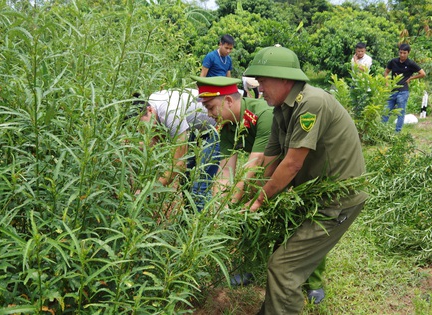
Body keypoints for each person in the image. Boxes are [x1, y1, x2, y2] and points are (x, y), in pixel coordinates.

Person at [244, 45, 368, 314]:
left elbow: (292, 164)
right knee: (281, 253)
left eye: (263, 80)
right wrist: (246, 194)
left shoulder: (311, 102)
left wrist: (257, 203)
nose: (259, 87)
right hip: (312, 197)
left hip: (336, 200)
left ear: (284, 79)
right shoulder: (280, 109)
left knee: (284, 267)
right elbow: (270, 160)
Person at [135, 88, 221, 211]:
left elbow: (179, 165)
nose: (142, 131)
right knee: (186, 180)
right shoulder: (151, 105)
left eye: (143, 126)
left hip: (217, 125)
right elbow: (153, 143)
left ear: (149, 110)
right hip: (196, 128)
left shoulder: (170, 112)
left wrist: (148, 192)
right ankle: (189, 221)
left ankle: (197, 224)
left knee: (199, 184)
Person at [192, 75, 273, 204]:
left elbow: (254, 164)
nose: (208, 115)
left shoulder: (263, 114)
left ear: (229, 101)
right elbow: (225, 172)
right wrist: (218, 207)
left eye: (210, 107)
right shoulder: (227, 127)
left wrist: (229, 205)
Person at [382, 43, 426, 132]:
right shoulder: (393, 61)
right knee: (385, 111)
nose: (402, 55)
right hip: (392, 90)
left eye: (404, 53)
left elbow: (423, 73)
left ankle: (397, 132)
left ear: (408, 53)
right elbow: (386, 72)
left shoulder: (411, 63)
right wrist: (387, 82)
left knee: (400, 113)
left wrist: (411, 78)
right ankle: (382, 130)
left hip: (403, 91)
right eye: (401, 52)